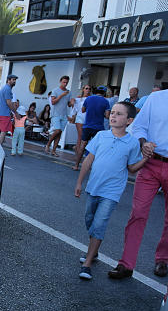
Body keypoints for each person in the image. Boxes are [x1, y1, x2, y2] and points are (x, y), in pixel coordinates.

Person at [74, 101, 147, 280]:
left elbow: (131, 168)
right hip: (94, 187)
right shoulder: (100, 136)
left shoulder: (132, 143)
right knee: (89, 220)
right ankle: (95, 250)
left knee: (100, 224)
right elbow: (89, 160)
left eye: (119, 114)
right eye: (112, 113)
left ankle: (87, 264)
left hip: (112, 192)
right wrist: (79, 183)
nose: (113, 116)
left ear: (129, 120)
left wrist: (145, 159)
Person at [109, 89, 168, 278]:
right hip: (151, 162)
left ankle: (163, 259)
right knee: (139, 213)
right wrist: (144, 143)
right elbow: (140, 126)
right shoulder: (156, 98)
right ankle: (126, 263)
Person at [72, 86, 110, 170]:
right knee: (97, 147)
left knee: (82, 145)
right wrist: (101, 113)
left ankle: (76, 165)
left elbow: (83, 110)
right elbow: (107, 116)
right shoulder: (106, 101)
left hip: (87, 125)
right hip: (98, 127)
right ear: (104, 93)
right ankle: (93, 166)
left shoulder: (88, 99)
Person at [45, 75, 73, 156]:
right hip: (55, 114)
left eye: (66, 82)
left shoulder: (68, 92)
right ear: (60, 81)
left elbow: (68, 104)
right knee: (57, 130)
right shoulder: (55, 91)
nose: (65, 84)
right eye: (64, 82)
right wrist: (62, 95)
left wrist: (72, 102)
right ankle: (48, 144)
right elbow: (53, 102)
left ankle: (54, 150)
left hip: (64, 115)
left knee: (59, 133)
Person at [0, 74, 18, 145]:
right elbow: (9, 103)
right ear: (8, 80)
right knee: (3, 131)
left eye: (15, 80)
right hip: (4, 114)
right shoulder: (8, 89)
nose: (14, 81)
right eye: (13, 80)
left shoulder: (4, 88)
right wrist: (15, 113)